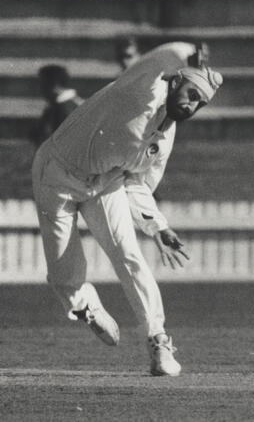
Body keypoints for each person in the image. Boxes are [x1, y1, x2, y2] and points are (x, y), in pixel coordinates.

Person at [31, 41, 223, 376]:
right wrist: (189, 53)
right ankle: (87, 306)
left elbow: (138, 184)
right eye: (191, 93)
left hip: (105, 182)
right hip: (57, 173)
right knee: (65, 276)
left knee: (129, 254)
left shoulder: (165, 138)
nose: (192, 105)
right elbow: (158, 58)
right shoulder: (139, 89)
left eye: (200, 103)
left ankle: (158, 341)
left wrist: (157, 226)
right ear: (176, 81)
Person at [30, 64, 83, 146]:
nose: (39, 89)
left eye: (42, 83)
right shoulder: (58, 106)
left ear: (53, 84)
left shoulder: (66, 108)